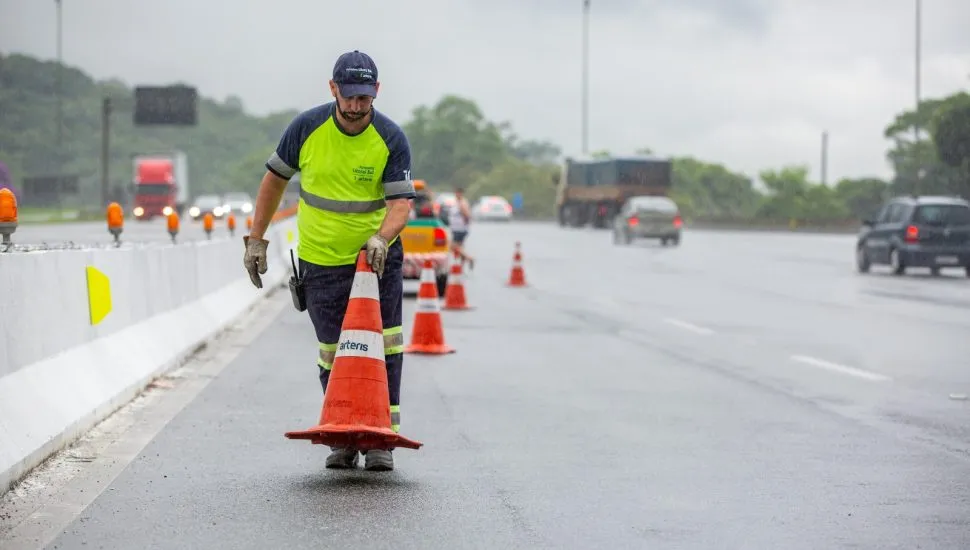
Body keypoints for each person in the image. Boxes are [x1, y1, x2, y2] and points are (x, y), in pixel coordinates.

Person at [242, 50, 415, 472]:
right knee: (331, 351)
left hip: (374, 262)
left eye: (365, 98)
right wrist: (256, 239)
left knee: (385, 346)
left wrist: (382, 238)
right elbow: (272, 184)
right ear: (333, 89)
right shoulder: (306, 128)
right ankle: (342, 435)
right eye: (350, 97)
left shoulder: (390, 137)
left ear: (376, 92)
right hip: (321, 263)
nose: (357, 107)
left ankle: (380, 440)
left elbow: (400, 204)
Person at [447, 187, 475, 269]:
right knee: (460, 247)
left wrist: (465, 223)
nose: (456, 195)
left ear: (460, 193)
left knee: (453, 247)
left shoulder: (462, 203)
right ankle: (460, 266)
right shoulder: (458, 202)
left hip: (460, 229)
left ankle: (469, 259)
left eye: (458, 193)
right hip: (457, 228)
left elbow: (467, 215)